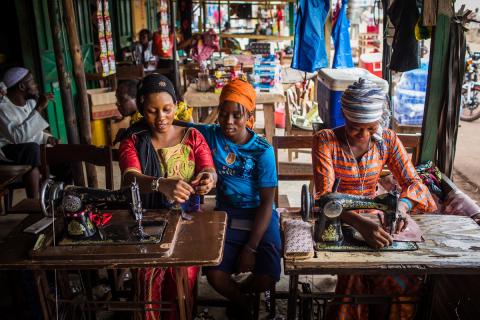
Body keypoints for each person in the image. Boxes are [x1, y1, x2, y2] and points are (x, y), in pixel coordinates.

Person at [312, 78, 437, 320]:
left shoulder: (387, 140)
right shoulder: (326, 140)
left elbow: (414, 183)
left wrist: (401, 207)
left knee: (401, 275)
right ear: (345, 118)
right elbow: (324, 196)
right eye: (356, 127)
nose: (364, 135)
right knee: (354, 274)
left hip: (374, 215)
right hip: (339, 217)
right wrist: (359, 223)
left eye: (371, 128)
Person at [177, 78, 281, 319]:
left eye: (237, 115)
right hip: (227, 213)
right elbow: (177, 124)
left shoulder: (262, 151)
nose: (229, 122)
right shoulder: (212, 135)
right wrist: (137, 126)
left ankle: (240, 294)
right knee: (214, 274)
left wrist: (251, 247)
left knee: (268, 276)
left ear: (249, 116)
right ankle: (242, 301)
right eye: (223, 114)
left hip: (259, 213)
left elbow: (267, 203)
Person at [118, 73, 217, 320]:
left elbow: (208, 169)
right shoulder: (132, 141)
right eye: (152, 111)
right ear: (141, 108)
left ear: (176, 106)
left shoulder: (192, 137)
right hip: (146, 222)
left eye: (167, 109)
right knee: (148, 278)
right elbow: (130, 179)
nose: (161, 117)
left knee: (183, 278)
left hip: (189, 222)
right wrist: (160, 184)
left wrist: (207, 180)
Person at [0, 67, 57, 198]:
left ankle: (62, 200)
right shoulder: (2, 108)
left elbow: (33, 133)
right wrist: (39, 108)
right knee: (32, 150)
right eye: (32, 82)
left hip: (29, 151)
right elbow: (18, 138)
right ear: (21, 86)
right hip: (6, 153)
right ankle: (35, 204)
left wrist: (48, 139)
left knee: (63, 154)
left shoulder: (30, 103)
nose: (36, 85)